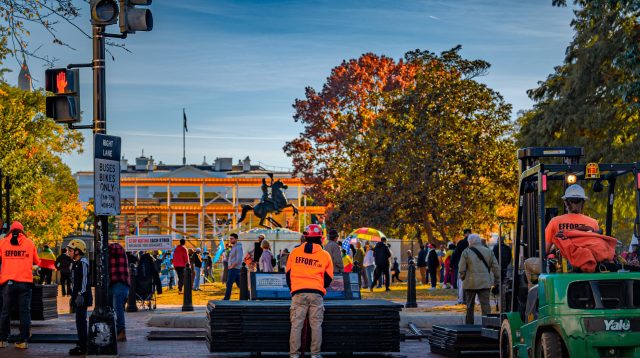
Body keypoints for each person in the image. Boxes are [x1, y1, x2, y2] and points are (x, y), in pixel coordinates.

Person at [524, 184, 599, 288]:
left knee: (527, 263)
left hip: (561, 266)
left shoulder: (555, 222)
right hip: (586, 264)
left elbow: (544, 251)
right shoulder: (593, 223)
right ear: (583, 202)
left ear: (566, 203)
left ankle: (534, 296)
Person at [286, 224, 333, 358]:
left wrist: (294, 289)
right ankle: (315, 354)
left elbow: (288, 274)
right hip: (316, 294)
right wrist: (318, 287)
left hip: (298, 293)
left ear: (305, 237)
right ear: (320, 238)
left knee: (296, 325)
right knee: (316, 325)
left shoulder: (295, 252)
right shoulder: (325, 255)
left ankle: (294, 355)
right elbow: (329, 278)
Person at [0, 221, 40, 350]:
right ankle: (23, 340)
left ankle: (2, 340)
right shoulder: (29, 243)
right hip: (24, 283)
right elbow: (37, 261)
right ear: (22, 231)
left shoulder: (3, 242)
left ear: (11, 230)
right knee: (24, 311)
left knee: (5, 311)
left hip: (7, 283)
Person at [458, 234, 500, 325]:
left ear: (469, 242)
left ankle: (469, 325)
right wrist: (497, 280)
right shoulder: (488, 251)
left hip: (470, 283)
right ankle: (487, 325)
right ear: (479, 241)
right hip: (485, 282)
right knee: (485, 305)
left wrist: (463, 277)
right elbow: (496, 267)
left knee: (469, 306)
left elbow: (461, 268)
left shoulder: (466, 252)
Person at [68, 238, 93, 355]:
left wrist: (80, 294)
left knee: (81, 321)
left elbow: (84, 280)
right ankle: (82, 343)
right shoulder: (75, 263)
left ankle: (83, 346)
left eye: (70, 250)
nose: (68, 252)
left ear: (77, 251)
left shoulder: (83, 262)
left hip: (82, 297)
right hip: (78, 296)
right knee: (79, 321)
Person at [108, 242, 129, 342]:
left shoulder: (116, 247)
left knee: (117, 308)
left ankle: (121, 332)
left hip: (119, 282)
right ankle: (116, 332)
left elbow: (113, 248)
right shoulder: (116, 249)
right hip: (114, 283)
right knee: (113, 309)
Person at [452, 228, 471, 302]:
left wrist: (452, 264)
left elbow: (455, 253)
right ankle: (472, 300)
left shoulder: (461, 242)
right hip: (472, 265)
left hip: (461, 264)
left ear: (465, 233)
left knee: (461, 283)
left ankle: (461, 299)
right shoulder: (474, 243)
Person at [223, 233, 243, 300]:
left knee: (229, 283)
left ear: (236, 239)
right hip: (234, 268)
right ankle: (248, 296)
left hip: (234, 268)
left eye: (232, 239)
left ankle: (226, 298)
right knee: (240, 285)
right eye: (230, 239)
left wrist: (232, 266)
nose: (230, 240)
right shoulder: (233, 247)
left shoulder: (238, 247)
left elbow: (239, 259)